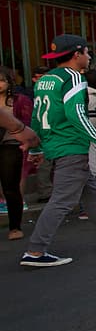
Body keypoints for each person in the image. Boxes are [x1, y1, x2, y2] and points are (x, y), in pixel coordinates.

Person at [21, 35, 96, 267]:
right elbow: (76, 113)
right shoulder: (74, 77)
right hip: (72, 145)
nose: (89, 57)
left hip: (56, 143)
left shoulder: (45, 79)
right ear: (77, 54)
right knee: (62, 200)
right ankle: (35, 251)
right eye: (87, 52)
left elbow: (37, 115)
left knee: (90, 193)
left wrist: (37, 146)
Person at [1, 67, 34, 240]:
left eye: (2, 80)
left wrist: (28, 142)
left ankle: (15, 226)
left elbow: (27, 123)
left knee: (11, 187)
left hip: (10, 145)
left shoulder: (19, 100)